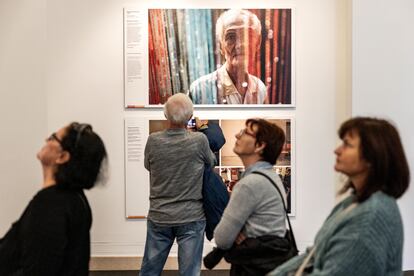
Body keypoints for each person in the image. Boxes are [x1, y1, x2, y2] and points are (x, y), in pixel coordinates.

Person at [268, 117, 410, 275]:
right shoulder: (354, 202)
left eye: (347, 144)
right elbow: (314, 254)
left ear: (372, 157)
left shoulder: (371, 216)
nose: (337, 150)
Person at [0, 122, 108, 275]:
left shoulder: (50, 205)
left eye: (52, 138)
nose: (46, 140)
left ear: (62, 157)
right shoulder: (75, 199)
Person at [140, 93, 216, 276]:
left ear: (166, 115)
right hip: (191, 216)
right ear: (190, 117)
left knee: (149, 271)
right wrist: (202, 128)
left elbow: (147, 166)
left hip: (160, 216)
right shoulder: (199, 140)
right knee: (189, 272)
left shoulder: (153, 140)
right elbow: (211, 162)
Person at [209, 118, 290, 275]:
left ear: (260, 146)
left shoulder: (249, 184)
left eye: (246, 132)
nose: (238, 135)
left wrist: (238, 233)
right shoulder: (271, 177)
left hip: (253, 268)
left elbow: (222, 238)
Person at [190, 9, 269, 105]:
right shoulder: (199, 91)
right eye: (231, 37)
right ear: (220, 46)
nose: (240, 45)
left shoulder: (260, 88)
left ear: (258, 43)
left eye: (248, 35)